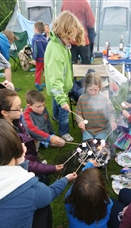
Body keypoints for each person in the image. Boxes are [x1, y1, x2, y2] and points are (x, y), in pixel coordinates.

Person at [0, 87, 63, 185]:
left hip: (26, 159)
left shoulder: (14, 119)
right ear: (5, 112)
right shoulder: (3, 136)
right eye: (18, 108)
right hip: (15, 170)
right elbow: (24, 162)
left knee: (44, 176)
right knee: (44, 180)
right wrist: (52, 168)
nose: (22, 111)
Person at [44, 11, 85, 142]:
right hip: (59, 88)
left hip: (61, 87)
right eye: (70, 38)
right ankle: (64, 132)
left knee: (56, 103)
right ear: (63, 32)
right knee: (64, 111)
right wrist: (63, 100)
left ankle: (55, 116)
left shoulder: (61, 44)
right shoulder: (56, 51)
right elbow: (56, 79)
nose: (71, 41)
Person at [65, 160, 113, 228]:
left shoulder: (69, 200)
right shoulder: (107, 204)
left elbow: (77, 184)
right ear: (102, 191)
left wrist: (88, 165)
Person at [75, 72, 117, 141]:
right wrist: (80, 121)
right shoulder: (82, 99)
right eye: (90, 90)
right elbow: (78, 113)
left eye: (95, 90)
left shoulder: (105, 99)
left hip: (102, 130)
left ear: (99, 87)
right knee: (88, 145)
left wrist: (112, 121)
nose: (93, 92)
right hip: (87, 130)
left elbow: (111, 113)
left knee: (99, 146)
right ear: (86, 87)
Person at [61, 0, 95, 64]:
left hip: (69, 40)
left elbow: (62, 20)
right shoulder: (84, 2)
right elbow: (91, 22)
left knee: (71, 66)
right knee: (86, 65)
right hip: (83, 39)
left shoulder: (65, 2)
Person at [31, 21, 48, 92]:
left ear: (36, 29)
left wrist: (34, 58)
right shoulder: (45, 39)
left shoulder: (34, 39)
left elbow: (35, 49)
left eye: (33, 28)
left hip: (38, 58)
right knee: (46, 71)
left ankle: (37, 83)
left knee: (38, 71)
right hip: (45, 58)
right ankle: (46, 83)